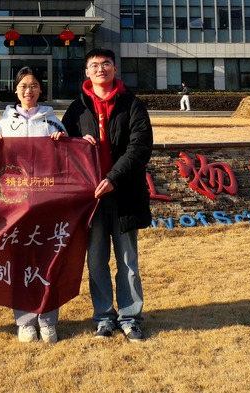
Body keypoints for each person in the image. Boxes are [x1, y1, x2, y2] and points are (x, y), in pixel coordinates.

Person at [62, 48, 153, 343]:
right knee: (96, 262)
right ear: (86, 72)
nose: (100, 69)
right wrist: (76, 141)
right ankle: (103, 317)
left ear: (114, 69)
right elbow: (63, 149)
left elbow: (140, 147)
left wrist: (113, 178)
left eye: (106, 64)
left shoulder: (132, 104)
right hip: (92, 199)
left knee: (128, 262)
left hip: (124, 193)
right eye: (94, 65)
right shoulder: (77, 109)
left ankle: (130, 318)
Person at [0, 66, 69, 344]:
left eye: (34, 85)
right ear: (15, 90)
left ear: (40, 89)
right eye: (23, 86)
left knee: (48, 260)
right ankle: (25, 321)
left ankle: (47, 319)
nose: (29, 91)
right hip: (15, 205)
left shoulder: (53, 122)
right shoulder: (3, 124)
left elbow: (67, 161)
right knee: (20, 261)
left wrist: (63, 143)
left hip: (46, 202)